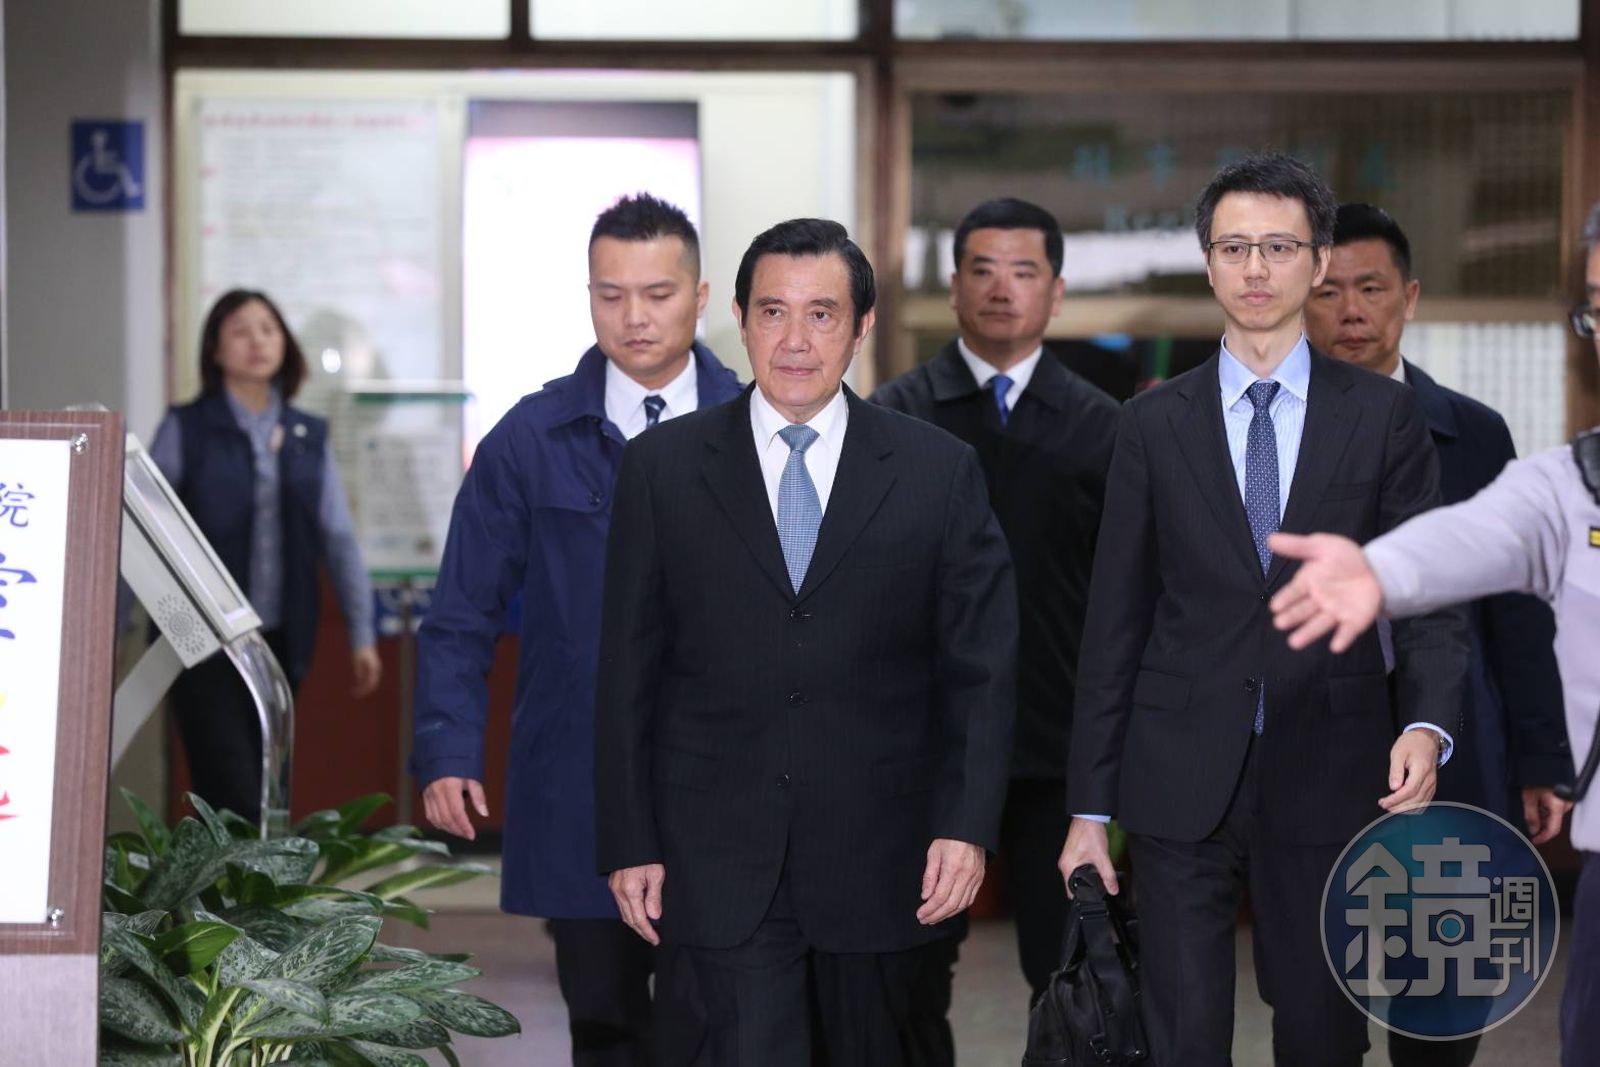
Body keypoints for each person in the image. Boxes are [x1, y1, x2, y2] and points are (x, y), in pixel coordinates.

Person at [1057, 154, 1469, 1067]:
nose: (1255, 268)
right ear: (1207, 263)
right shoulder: (1151, 424)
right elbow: (1114, 623)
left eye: (1279, 247)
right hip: (1178, 772)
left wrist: (1426, 722)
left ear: (1317, 261)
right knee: (1183, 1033)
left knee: (1323, 1033)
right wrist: (1089, 808)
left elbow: (1427, 589)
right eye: (1234, 247)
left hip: (1332, 762)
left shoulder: (1382, 416)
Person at [594, 218, 1017, 1067]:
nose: (794, 340)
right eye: (773, 312)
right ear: (739, 320)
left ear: (862, 326)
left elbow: (981, 669)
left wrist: (966, 825)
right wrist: (629, 840)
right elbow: (627, 673)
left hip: (888, 861)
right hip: (717, 859)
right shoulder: (662, 469)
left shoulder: (937, 471)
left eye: (822, 314)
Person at [412, 194, 742, 1067]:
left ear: (700, 295)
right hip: (580, 776)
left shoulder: (757, 428)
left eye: (658, 294)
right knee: (604, 1022)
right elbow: (462, 609)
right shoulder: (531, 437)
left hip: (728, 778)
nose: (635, 317)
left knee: (724, 1023)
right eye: (610, 294)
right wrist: (447, 746)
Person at [1269, 200, 1600, 1067]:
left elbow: (1516, 611)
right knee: (1315, 1012)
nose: (1350, 311)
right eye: (1329, 291)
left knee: (1444, 1000)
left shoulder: (1473, 429)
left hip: (1454, 747)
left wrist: (1540, 756)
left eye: (1371, 288)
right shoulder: (1271, 431)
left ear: (1408, 297)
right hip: (1313, 748)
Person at [871, 198, 1119, 1022]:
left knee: (1069, 977)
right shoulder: (896, 415)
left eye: (1023, 271)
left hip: (1058, 744)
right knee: (907, 974)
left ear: (1056, 291)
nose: (1001, 288)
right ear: (952, 287)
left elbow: (1127, 596)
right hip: (925, 743)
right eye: (982, 269)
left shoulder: (1104, 427)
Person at [149, 288, 380, 824]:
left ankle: (231, 878)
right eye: (240, 331)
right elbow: (145, 528)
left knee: (261, 778)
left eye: (268, 329)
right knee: (230, 781)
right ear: (215, 350)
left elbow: (338, 536)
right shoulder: (187, 428)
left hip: (279, 639)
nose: (257, 341)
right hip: (200, 639)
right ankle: (235, 878)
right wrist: (112, 628)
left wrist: (362, 632)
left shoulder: (306, 434)